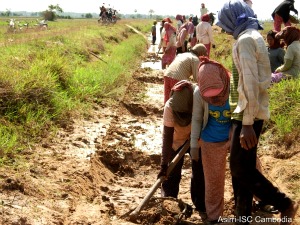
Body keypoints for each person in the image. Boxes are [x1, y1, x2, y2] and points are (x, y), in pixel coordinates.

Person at [216, 0, 298, 224]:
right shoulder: (252, 36)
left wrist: (247, 124)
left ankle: (284, 203)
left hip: (248, 114)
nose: (224, 29)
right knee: (242, 168)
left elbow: (250, 83)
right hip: (250, 111)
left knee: (239, 167)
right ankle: (243, 216)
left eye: (225, 23)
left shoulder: (244, 41)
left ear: (234, 19)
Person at [190, 57, 231, 224]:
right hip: (210, 141)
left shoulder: (235, 87)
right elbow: (197, 119)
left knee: (249, 170)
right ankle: (214, 217)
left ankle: (258, 202)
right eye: (210, 97)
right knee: (213, 181)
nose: (214, 100)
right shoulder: (198, 93)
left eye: (218, 94)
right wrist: (194, 144)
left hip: (234, 136)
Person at [158, 80, 206, 214]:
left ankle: (201, 204)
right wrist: (163, 164)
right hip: (177, 140)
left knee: (199, 173)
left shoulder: (199, 102)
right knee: (171, 175)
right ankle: (169, 204)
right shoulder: (169, 106)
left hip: (196, 138)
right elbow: (167, 136)